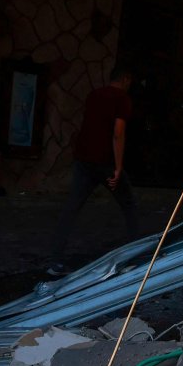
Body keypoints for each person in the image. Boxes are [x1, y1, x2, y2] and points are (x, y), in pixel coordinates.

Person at [46, 65, 139, 275]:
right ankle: (137, 255)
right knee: (129, 205)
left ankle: (55, 260)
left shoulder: (94, 95)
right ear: (125, 79)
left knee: (72, 207)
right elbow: (118, 133)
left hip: (84, 159)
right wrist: (118, 166)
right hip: (105, 161)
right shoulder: (122, 99)